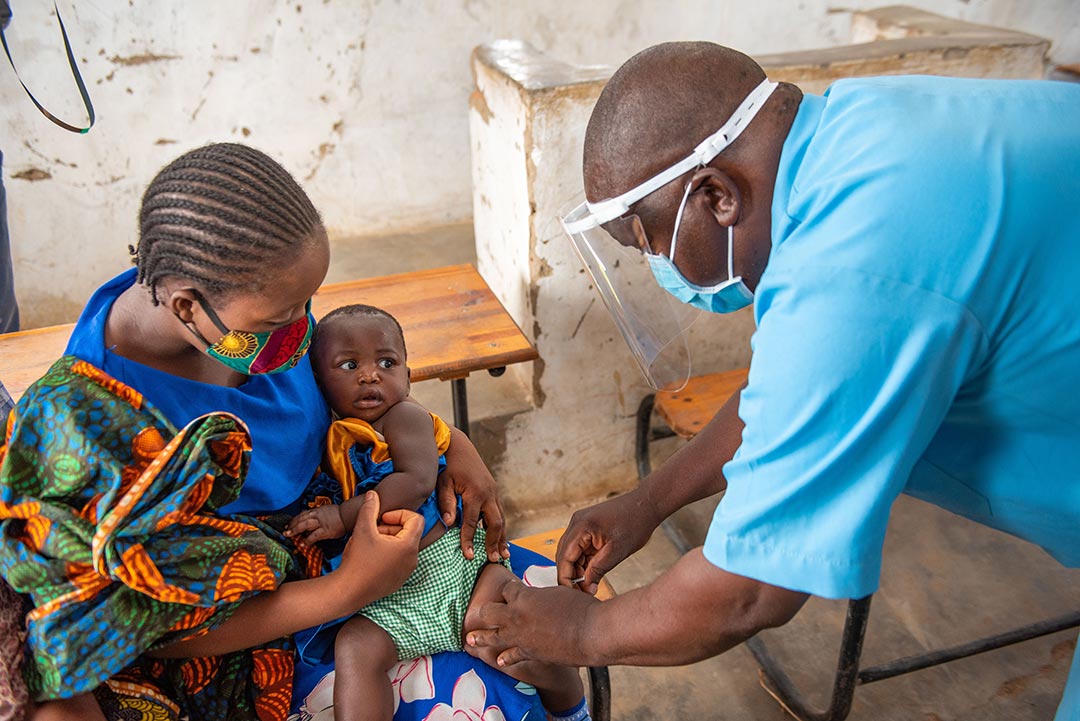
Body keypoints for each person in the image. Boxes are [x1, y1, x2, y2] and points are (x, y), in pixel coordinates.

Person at [466, 42, 1080, 720]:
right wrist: (648, 501)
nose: (660, 268)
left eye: (651, 243)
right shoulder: (855, 132)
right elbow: (783, 390)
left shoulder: (850, 268)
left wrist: (581, 631)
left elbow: (749, 590)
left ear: (716, 195)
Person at [0, 142, 558, 721]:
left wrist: (453, 445)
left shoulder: (240, 311)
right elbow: (155, 632)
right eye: (279, 318)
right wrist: (347, 591)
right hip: (265, 625)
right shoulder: (92, 429)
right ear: (187, 306)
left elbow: (349, 398)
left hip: (353, 539)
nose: (301, 330)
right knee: (483, 692)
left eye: (306, 303)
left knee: (542, 625)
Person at [285, 304, 588, 721]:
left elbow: (416, 481)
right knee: (356, 647)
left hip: (454, 569)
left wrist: (342, 517)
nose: (370, 375)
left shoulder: (402, 417)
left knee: (519, 634)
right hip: (391, 598)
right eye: (349, 365)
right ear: (320, 383)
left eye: (387, 363)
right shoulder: (337, 433)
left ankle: (571, 708)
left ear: (408, 377)